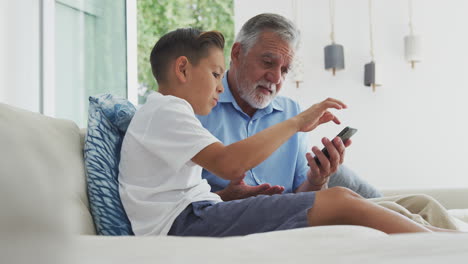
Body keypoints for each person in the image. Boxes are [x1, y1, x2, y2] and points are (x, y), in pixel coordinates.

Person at [118, 27, 435, 237]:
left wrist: (226, 196)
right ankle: (443, 245)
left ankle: (440, 239)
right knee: (339, 200)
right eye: (215, 74)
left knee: (345, 196)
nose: (218, 85)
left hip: (200, 213)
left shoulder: (164, 112)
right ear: (183, 69)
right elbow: (229, 164)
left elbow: (169, 192)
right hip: (188, 224)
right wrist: (298, 123)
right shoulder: (166, 110)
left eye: (284, 70)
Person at [197, 13, 381, 201]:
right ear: (237, 54)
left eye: (285, 70)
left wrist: (317, 179)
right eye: (268, 63)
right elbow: (176, 200)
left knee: (400, 207)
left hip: (291, 220)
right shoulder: (197, 107)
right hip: (230, 222)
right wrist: (223, 196)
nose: (276, 78)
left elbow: (303, 196)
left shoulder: (291, 110)